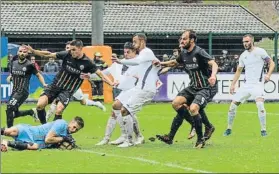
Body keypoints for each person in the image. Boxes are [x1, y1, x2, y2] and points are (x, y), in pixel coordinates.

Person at [23, 40, 114, 124]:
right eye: (70, 49)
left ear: (80, 49)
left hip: (68, 90)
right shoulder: (67, 54)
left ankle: (54, 130)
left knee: (59, 109)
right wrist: (34, 51)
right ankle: (44, 126)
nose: (71, 52)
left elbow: (100, 74)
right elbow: (48, 54)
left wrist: (111, 83)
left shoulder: (87, 62)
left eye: (74, 50)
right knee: (40, 104)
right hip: (56, 85)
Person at [154, 29, 218, 148]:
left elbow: (214, 64)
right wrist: (161, 64)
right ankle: (198, 124)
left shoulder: (199, 52)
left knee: (194, 108)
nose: (181, 41)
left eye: (184, 39)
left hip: (206, 87)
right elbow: (175, 62)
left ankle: (199, 139)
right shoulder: (183, 53)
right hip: (193, 87)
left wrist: (213, 76)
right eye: (181, 39)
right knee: (176, 103)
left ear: (192, 40)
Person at [114, 33, 161, 148]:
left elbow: (138, 61)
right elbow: (154, 65)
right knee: (123, 109)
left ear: (142, 41)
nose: (133, 44)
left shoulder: (146, 52)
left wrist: (121, 61)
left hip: (146, 89)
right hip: (139, 88)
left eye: (135, 42)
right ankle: (133, 137)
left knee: (125, 110)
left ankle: (129, 140)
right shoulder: (146, 55)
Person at [223, 34, 275, 137]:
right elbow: (238, 71)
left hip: (257, 84)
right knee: (232, 106)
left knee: (260, 105)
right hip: (246, 85)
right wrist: (233, 84)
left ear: (252, 41)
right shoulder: (243, 55)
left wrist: (268, 75)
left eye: (247, 42)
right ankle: (228, 128)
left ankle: (263, 130)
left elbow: (272, 63)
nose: (245, 44)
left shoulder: (260, 52)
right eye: (243, 42)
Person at [95, 42, 143, 146]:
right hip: (125, 91)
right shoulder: (118, 65)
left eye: (128, 52)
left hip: (135, 90)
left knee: (123, 109)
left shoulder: (139, 63)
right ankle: (117, 137)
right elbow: (103, 74)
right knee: (117, 110)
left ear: (135, 52)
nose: (126, 54)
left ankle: (131, 137)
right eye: (124, 52)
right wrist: (88, 76)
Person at [45, 42, 106, 121]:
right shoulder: (66, 57)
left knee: (83, 102)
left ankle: (96, 104)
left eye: (71, 49)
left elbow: (85, 73)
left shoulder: (81, 60)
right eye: (67, 49)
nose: (69, 50)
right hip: (62, 85)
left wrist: (89, 79)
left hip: (73, 86)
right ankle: (46, 118)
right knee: (56, 101)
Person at [5, 46, 47, 128]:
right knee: (13, 113)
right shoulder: (13, 63)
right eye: (20, 51)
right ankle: (31, 112)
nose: (22, 53)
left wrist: (44, 84)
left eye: (24, 52)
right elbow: (10, 76)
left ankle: (9, 131)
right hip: (14, 91)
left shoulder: (29, 65)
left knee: (9, 108)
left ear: (27, 54)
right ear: (17, 52)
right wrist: (9, 78)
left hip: (23, 91)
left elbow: (38, 75)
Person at [1, 116, 84, 151]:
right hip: (29, 131)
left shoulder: (67, 135)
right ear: (71, 122)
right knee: (9, 131)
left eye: (76, 129)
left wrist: (72, 145)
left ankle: (6, 143)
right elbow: (48, 139)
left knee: (35, 147)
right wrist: (63, 139)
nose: (73, 130)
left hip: (36, 142)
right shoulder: (61, 124)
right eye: (74, 126)